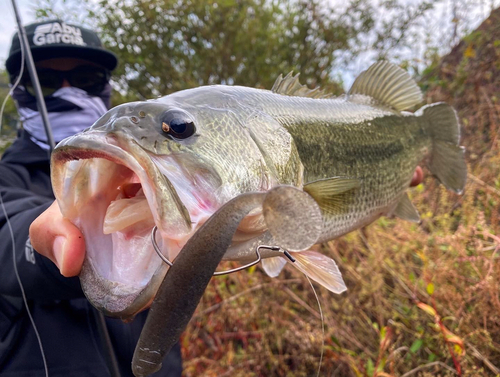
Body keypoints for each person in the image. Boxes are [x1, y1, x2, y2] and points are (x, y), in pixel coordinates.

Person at [0, 20, 182, 376]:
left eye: (86, 80)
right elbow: (7, 233)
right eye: (47, 82)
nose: (68, 92)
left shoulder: (154, 168)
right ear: (19, 92)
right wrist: (60, 234)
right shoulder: (6, 176)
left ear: (105, 87)